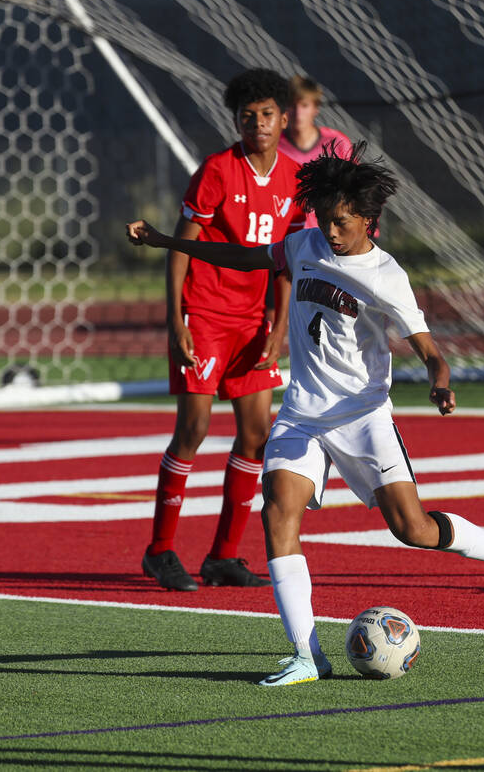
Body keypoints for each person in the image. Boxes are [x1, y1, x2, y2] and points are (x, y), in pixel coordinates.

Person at [127, 142, 484, 686]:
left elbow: (429, 347)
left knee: (413, 529)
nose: (330, 232)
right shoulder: (304, 244)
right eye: (324, 219)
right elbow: (247, 255)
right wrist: (168, 241)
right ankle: (306, 654)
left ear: (368, 220)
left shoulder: (386, 274)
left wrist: (439, 379)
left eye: (341, 223)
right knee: (277, 512)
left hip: (363, 416)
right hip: (302, 414)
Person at [142, 68, 306, 591]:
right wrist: (177, 321)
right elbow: (178, 248)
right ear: (236, 120)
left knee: (256, 436)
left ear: (284, 119)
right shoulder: (216, 170)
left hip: (252, 322)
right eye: (247, 116)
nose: (256, 123)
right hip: (206, 314)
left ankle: (222, 556)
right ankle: (161, 550)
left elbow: (285, 261)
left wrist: (279, 325)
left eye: (266, 114)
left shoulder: (293, 180)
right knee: (192, 430)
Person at [278, 75, 351, 229]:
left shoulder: (337, 144)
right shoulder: (273, 145)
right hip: (284, 233)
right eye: (292, 105)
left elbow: (355, 190)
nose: (298, 113)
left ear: (315, 109)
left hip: (327, 233)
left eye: (304, 105)